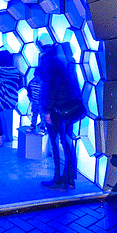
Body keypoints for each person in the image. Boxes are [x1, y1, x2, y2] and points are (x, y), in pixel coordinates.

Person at [37, 39, 85, 188]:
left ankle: (58, 179)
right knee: (66, 142)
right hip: (69, 109)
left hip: (56, 110)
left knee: (56, 143)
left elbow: (49, 88)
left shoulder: (48, 61)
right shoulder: (64, 62)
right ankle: (69, 178)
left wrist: (46, 111)